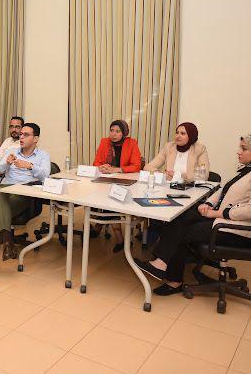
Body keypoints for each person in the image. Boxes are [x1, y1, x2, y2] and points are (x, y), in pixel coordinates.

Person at [135, 135, 251, 296]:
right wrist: (208, 203)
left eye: (244, 148)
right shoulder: (244, 171)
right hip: (221, 217)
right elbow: (222, 191)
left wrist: (217, 213)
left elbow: (248, 211)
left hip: (235, 229)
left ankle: (174, 280)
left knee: (183, 232)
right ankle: (160, 263)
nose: (239, 151)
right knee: (180, 217)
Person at [0, 123, 50, 283]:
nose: (21, 137)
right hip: (4, 188)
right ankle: (7, 243)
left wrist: (30, 166)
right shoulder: (12, 151)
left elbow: (46, 175)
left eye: (26, 134)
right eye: (21, 134)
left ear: (35, 139)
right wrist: (7, 163)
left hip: (23, 193)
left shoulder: (43, 155)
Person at [92, 119, 142, 251]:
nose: (113, 134)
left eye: (117, 131)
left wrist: (117, 169)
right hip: (105, 179)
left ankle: (113, 234)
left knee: (112, 197)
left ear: (124, 133)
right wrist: (102, 167)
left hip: (125, 181)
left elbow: (136, 166)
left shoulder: (131, 143)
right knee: (100, 194)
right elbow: (96, 162)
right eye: (112, 130)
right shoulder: (104, 142)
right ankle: (101, 227)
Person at [144, 122, 210, 182]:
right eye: (177, 132)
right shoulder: (169, 147)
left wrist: (178, 176)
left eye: (182, 133)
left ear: (191, 136)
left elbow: (203, 175)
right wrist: (162, 175)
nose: (178, 136)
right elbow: (148, 167)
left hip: (190, 187)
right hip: (170, 186)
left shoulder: (199, 149)